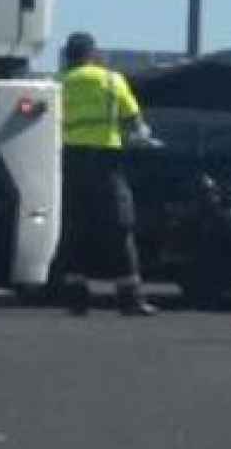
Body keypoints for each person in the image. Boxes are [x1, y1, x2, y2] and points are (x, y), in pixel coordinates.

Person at [56, 32, 159, 316]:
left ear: (68, 56)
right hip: (105, 163)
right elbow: (135, 123)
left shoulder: (58, 83)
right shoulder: (112, 81)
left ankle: (76, 299)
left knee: (74, 229)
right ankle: (130, 298)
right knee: (119, 228)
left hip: (70, 162)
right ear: (94, 54)